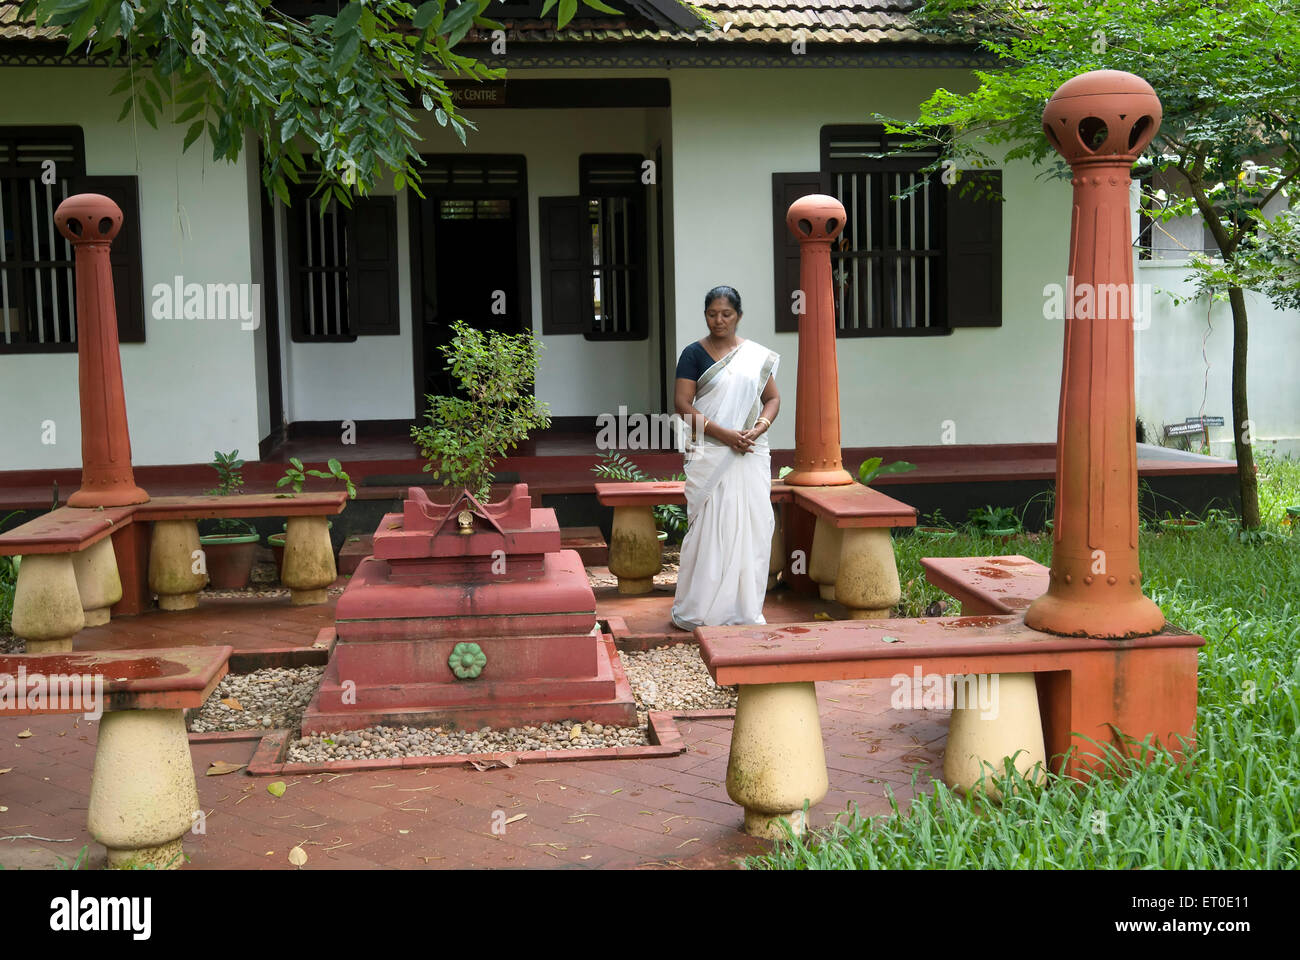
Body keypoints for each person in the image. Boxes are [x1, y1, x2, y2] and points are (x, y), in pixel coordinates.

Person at [671, 286, 780, 630]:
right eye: (712, 314)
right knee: (709, 529)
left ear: (739, 316)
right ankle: (700, 609)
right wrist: (726, 435)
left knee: (752, 526)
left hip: (750, 452)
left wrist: (758, 428)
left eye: (726, 314)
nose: (719, 320)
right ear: (705, 315)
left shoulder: (754, 356)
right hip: (713, 454)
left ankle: (742, 609)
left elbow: (772, 399)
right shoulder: (693, 354)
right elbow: (683, 407)